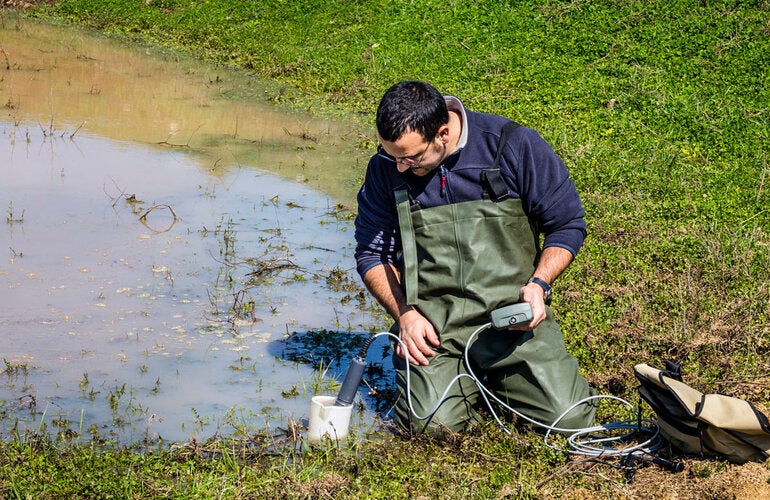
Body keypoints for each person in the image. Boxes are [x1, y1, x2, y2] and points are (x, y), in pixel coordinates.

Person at [354, 81, 595, 436]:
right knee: (431, 428)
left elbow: (567, 225)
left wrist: (539, 285)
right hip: (435, 327)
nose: (400, 168)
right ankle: (461, 382)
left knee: (570, 422)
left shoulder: (512, 144)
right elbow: (373, 253)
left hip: (510, 321)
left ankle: (496, 381)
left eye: (412, 157)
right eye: (393, 156)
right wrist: (405, 314)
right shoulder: (384, 168)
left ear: (443, 133)